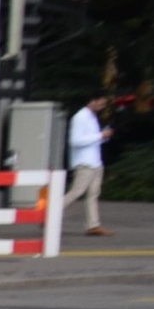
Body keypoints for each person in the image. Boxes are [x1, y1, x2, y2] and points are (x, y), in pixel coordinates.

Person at [66, 94, 111, 236]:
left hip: (95, 162)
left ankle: (93, 225)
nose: (102, 107)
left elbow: (90, 140)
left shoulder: (92, 117)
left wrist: (103, 137)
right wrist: (100, 136)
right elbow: (76, 141)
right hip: (84, 162)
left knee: (93, 194)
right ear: (92, 101)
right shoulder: (80, 117)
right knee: (77, 192)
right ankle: (49, 215)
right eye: (100, 103)